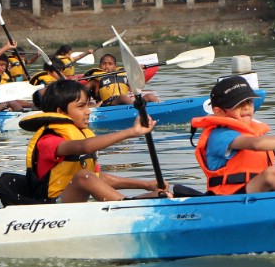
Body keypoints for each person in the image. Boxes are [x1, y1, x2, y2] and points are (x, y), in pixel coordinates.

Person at [19, 79, 170, 202]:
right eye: (81, 106)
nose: (88, 110)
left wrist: (146, 185)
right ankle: (126, 206)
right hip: (51, 208)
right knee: (83, 176)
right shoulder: (48, 140)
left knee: (88, 175)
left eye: (87, 105)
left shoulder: (81, 134)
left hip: (73, 204)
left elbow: (97, 178)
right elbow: (84, 147)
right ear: (61, 112)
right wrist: (132, 132)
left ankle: (132, 202)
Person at [191, 76, 275, 194]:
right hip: (229, 198)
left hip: (257, 194)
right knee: (270, 174)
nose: (246, 107)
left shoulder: (253, 131)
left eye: (249, 101)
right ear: (219, 112)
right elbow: (256, 144)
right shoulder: (219, 135)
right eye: (238, 104)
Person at [85, 53, 160, 106]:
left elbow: (135, 87)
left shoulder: (123, 75)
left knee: (150, 96)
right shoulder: (95, 80)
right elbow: (82, 90)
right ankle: (137, 109)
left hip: (126, 102)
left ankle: (162, 108)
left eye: (110, 64)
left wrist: (140, 72)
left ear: (115, 66)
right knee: (122, 97)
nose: (107, 66)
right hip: (108, 105)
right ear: (99, 66)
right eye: (104, 64)